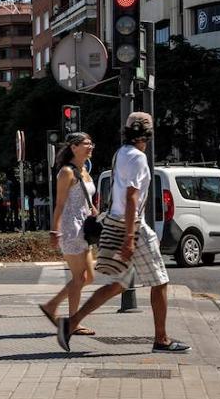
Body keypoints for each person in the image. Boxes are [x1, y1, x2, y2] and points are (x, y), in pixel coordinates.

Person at [56, 113, 190, 354]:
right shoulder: (138, 158)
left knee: (119, 284)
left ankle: (71, 323)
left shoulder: (121, 154)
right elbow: (131, 197)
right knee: (160, 281)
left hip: (117, 221)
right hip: (133, 226)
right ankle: (161, 340)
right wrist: (130, 237)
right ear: (148, 135)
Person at [39, 133, 98, 336]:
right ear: (74, 147)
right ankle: (73, 321)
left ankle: (52, 305)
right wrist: (55, 231)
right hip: (71, 228)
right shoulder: (66, 172)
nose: (91, 147)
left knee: (89, 276)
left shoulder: (85, 170)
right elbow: (60, 204)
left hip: (85, 228)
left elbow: (85, 198)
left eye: (91, 143)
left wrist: (93, 209)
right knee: (79, 277)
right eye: (86, 144)